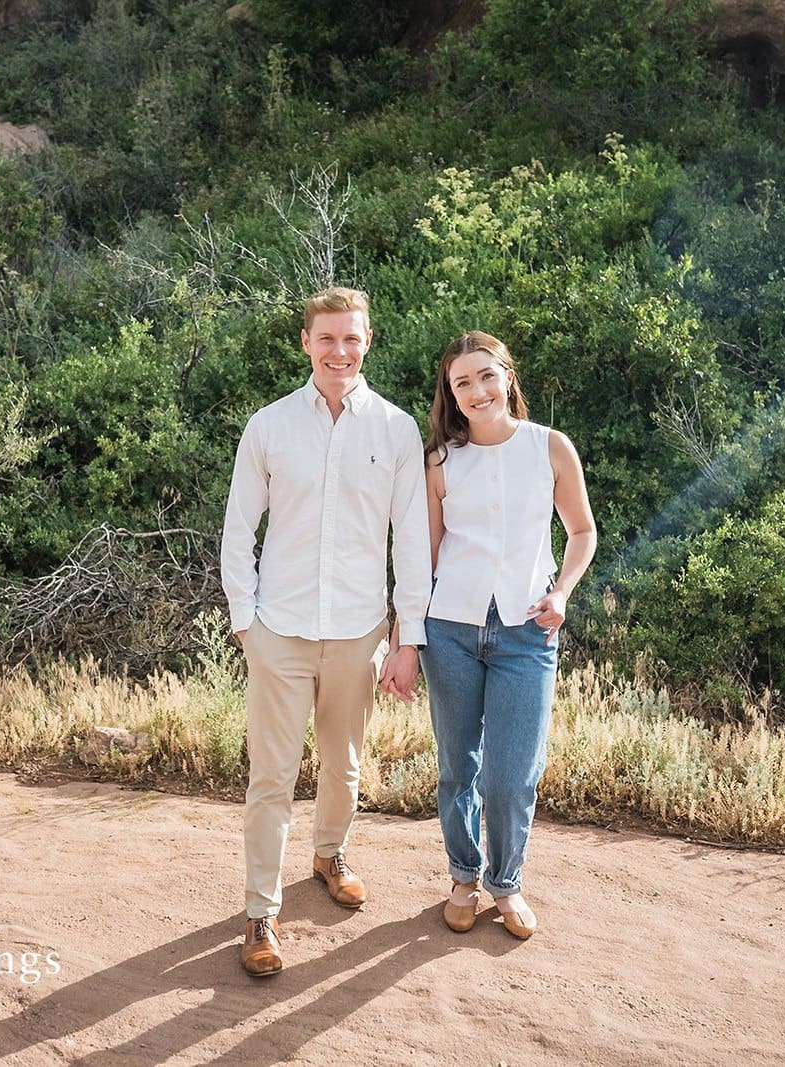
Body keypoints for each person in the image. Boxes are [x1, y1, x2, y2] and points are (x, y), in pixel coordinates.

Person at [221, 286, 431, 977]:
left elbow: (412, 541)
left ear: (367, 342)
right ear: (306, 343)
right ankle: (260, 913)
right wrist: (246, 621)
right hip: (278, 629)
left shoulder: (396, 429)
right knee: (271, 776)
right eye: (327, 338)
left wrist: (407, 637)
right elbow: (238, 527)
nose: (340, 351)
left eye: (352, 338)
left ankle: (329, 854)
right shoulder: (269, 425)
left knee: (343, 766)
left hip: (358, 630)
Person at [416, 330, 596, 940]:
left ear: (508, 377)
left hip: (527, 632)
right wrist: (406, 631)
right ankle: (464, 877)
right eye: (462, 382)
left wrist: (562, 592)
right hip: (450, 630)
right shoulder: (440, 462)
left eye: (486, 376)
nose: (477, 391)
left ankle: (506, 881)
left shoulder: (550, 447)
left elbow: (582, 532)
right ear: (451, 393)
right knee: (456, 768)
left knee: (512, 776)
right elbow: (426, 555)